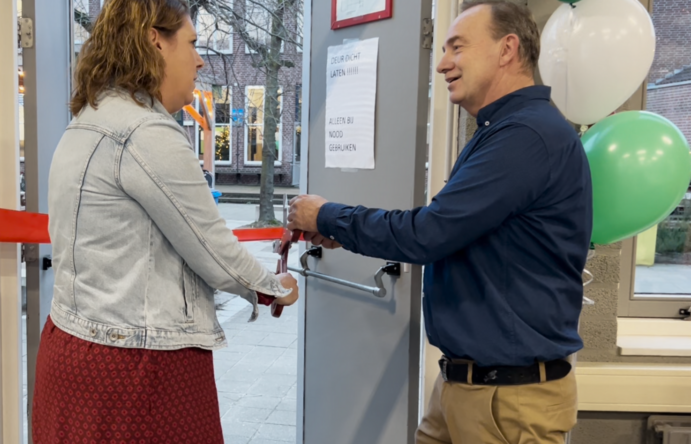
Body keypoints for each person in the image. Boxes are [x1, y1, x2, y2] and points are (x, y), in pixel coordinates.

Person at [288, 2, 592, 443]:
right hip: (466, 388)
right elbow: (452, 233)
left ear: (507, 49)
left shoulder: (525, 137)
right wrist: (336, 229)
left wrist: (327, 215)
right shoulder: (502, 132)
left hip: (506, 402)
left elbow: (428, 234)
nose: (443, 64)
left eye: (457, 48)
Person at [33, 0, 299, 442]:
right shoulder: (145, 131)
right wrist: (276, 287)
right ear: (155, 41)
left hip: (72, 346)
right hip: (135, 368)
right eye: (192, 44)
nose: (198, 60)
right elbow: (213, 248)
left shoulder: (86, 121)